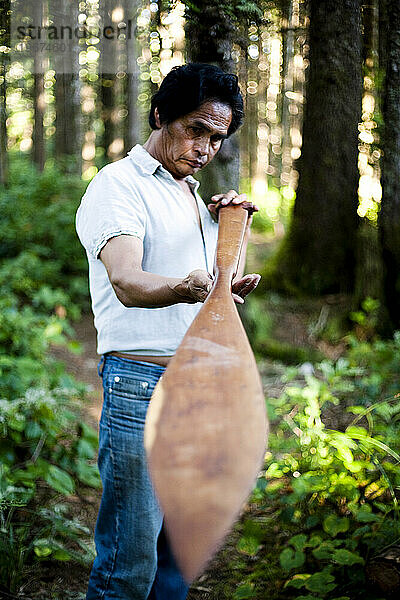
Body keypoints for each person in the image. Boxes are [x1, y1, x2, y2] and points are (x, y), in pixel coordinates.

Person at [76, 63, 261, 600]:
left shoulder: (192, 197)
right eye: (195, 129)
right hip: (141, 383)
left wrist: (233, 230)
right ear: (161, 115)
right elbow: (128, 281)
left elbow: (213, 290)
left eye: (216, 138)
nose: (205, 147)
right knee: (128, 567)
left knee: (176, 564)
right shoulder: (118, 186)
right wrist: (188, 287)